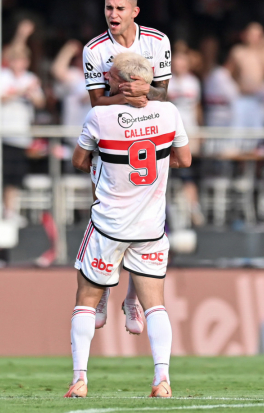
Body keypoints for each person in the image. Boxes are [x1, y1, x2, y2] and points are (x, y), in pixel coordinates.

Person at [65, 52, 190, 398]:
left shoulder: (100, 116)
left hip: (108, 225)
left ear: (120, 82)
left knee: (84, 301)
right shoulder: (169, 112)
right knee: (157, 306)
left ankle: (80, 378)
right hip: (150, 227)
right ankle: (162, 380)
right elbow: (186, 159)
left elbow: (78, 160)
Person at [82, 0, 172, 335]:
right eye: (108, 8)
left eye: (120, 9)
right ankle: (103, 289)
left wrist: (140, 91)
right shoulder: (93, 49)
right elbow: (95, 102)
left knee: (146, 219)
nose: (112, 14)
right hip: (110, 138)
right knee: (105, 211)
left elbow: (163, 92)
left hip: (147, 134)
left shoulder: (157, 41)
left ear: (135, 11)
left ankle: (132, 297)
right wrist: (128, 95)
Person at [0, 45, 45, 222]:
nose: (20, 63)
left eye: (23, 60)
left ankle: (11, 211)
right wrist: (21, 91)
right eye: (16, 59)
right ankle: (3, 210)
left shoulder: (30, 78)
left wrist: (32, 93)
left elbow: (40, 103)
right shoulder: (2, 76)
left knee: (17, 175)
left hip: (22, 135)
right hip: (3, 133)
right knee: (4, 174)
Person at [166, 51, 204, 226]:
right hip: (170, 133)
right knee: (168, 173)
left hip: (189, 132)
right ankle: (166, 212)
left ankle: (193, 209)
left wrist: (199, 131)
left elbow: (197, 107)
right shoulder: (167, 82)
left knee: (188, 172)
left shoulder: (193, 81)